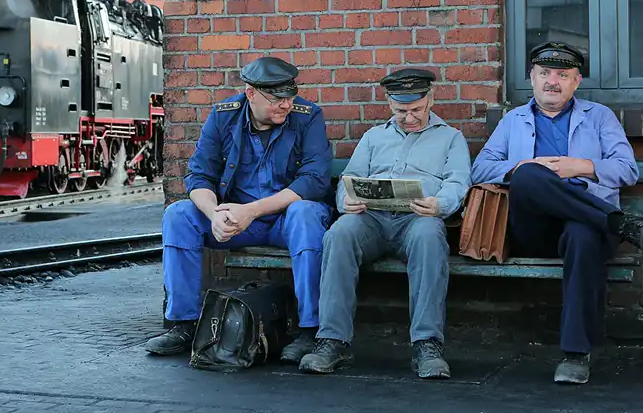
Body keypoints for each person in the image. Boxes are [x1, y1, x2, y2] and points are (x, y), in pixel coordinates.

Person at [470, 41, 643, 385]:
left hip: (584, 227)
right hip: (536, 230)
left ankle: (576, 354)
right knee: (529, 175)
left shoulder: (599, 117)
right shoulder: (513, 121)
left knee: (582, 234)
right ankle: (622, 225)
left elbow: (627, 169)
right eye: (545, 73)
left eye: (562, 75)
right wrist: (522, 166)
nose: (552, 81)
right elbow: (480, 169)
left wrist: (584, 166)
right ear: (532, 77)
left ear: (576, 82)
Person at [145, 56, 334, 365]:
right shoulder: (223, 116)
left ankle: (309, 330)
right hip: (236, 220)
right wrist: (214, 215)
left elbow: (314, 181)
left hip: (284, 221)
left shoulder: (308, 117)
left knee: (307, 215)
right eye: (276, 99)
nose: (286, 105)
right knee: (178, 215)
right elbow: (199, 175)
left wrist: (252, 211)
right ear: (251, 94)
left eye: (290, 96)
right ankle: (184, 325)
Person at [299, 68, 472, 379]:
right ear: (389, 103)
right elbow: (349, 179)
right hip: (372, 218)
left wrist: (439, 204)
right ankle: (332, 340)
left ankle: (427, 344)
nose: (409, 118)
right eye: (401, 111)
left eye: (417, 110)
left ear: (430, 100)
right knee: (339, 234)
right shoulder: (373, 137)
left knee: (431, 238)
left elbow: (458, 183)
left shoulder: (451, 138)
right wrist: (346, 201)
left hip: (419, 218)